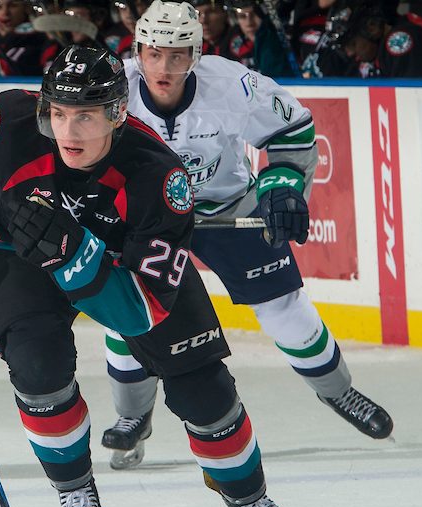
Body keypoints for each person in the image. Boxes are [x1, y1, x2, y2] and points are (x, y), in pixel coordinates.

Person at [0, 43, 322, 507]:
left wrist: (73, 256)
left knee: (203, 385)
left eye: (85, 116)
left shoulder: (159, 177)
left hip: (125, 266)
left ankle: (250, 503)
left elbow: (138, 315)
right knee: (38, 372)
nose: (69, 132)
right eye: (58, 113)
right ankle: (76, 496)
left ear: (117, 114)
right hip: (18, 254)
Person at [98, 0, 393, 469]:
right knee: (128, 314)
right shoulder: (111, 87)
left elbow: (293, 133)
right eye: (154, 53)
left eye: (177, 55)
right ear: (138, 50)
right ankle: (133, 417)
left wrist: (281, 187)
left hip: (228, 203)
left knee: (284, 308)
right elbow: (62, 145)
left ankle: (340, 392)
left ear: (196, 53)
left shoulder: (234, 85)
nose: (164, 66)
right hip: (146, 218)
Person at [328, 0, 422, 79]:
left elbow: (415, 102)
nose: (350, 53)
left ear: (372, 27)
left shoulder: (398, 42)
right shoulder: (396, 30)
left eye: (352, 44)